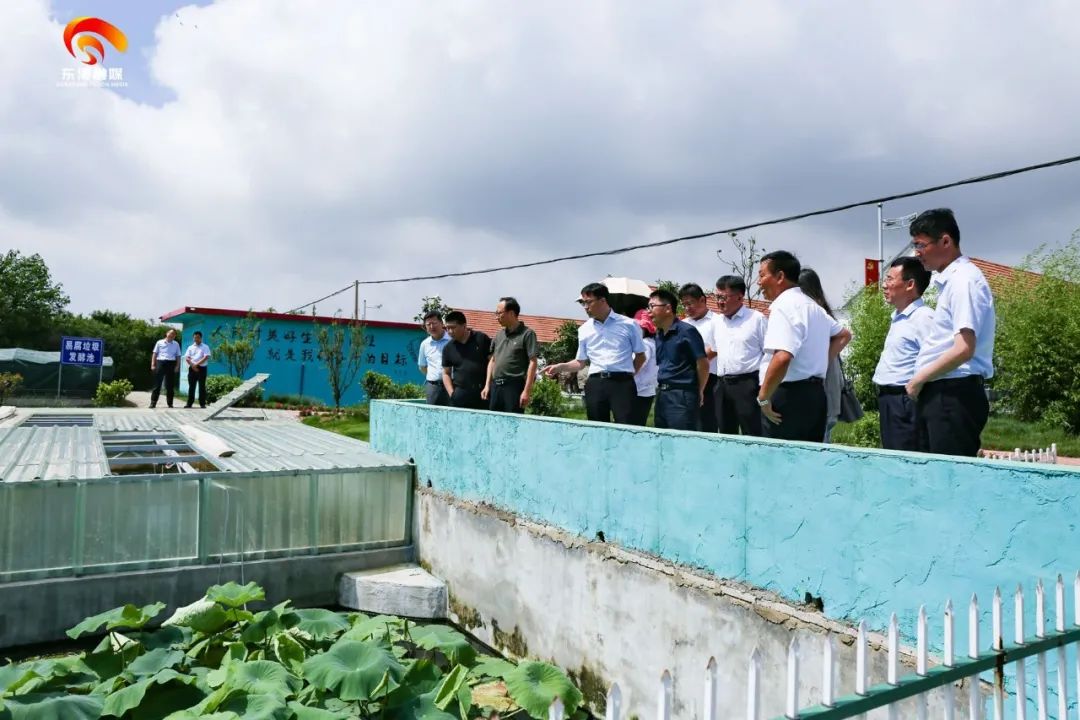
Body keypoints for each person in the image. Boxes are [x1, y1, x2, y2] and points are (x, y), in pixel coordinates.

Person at [905, 208, 996, 457]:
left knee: (949, 481)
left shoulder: (964, 281)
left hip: (953, 395)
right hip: (945, 394)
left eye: (921, 245)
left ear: (945, 241)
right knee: (937, 479)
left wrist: (918, 379)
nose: (917, 253)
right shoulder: (952, 281)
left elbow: (964, 348)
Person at [756, 251, 852, 442]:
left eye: (762, 275)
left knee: (781, 461)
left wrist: (764, 398)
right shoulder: (813, 306)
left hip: (788, 397)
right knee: (809, 459)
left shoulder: (784, 306)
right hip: (815, 396)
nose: (758, 282)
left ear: (780, 277)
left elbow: (782, 357)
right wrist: (821, 362)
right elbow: (844, 335)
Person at [543, 282, 645, 423]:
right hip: (596, 384)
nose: (585, 307)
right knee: (597, 428)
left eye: (588, 302)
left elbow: (641, 356)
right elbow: (580, 362)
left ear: (603, 300)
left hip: (622, 384)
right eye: (583, 303)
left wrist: (629, 374)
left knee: (626, 427)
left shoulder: (629, 324)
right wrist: (559, 367)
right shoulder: (584, 329)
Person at [873, 257, 935, 451]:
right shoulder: (899, 317)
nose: (884, 285)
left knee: (907, 459)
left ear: (910, 284)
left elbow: (936, 358)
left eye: (890, 279)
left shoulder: (924, 317)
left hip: (905, 401)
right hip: (889, 400)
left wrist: (914, 388)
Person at [708, 275, 767, 436]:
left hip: (748, 384)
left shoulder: (756, 319)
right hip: (722, 384)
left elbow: (768, 354)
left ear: (740, 297)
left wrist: (764, 387)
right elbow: (714, 349)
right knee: (725, 431)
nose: (719, 301)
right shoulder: (716, 322)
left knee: (752, 430)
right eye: (716, 296)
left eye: (723, 297)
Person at [649, 288, 709, 430]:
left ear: (668, 308)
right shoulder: (659, 334)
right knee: (662, 440)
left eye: (652, 306)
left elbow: (703, 364)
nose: (648, 311)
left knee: (682, 441)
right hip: (662, 394)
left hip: (682, 396)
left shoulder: (687, 331)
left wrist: (699, 391)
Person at [798, 268, 846, 443]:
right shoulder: (821, 312)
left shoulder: (816, 314)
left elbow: (845, 336)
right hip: (822, 385)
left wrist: (821, 362)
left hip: (822, 385)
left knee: (819, 436)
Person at [483, 297, 539, 413]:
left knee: (512, 424)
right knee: (495, 423)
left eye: (499, 313)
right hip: (496, 386)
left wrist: (526, 391)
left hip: (514, 387)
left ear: (511, 313)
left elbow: (533, 362)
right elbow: (493, 360)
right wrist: (487, 385)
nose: (496, 317)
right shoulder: (498, 335)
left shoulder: (527, 334)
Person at [678, 283, 719, 432]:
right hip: (686, 379)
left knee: (707, 422)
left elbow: (715, 349)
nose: (687, 308)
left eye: (690, 303)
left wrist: (694, 362)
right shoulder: (682, 324)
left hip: (710, 379)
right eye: (684, 305)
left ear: (702, 300)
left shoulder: (717, 321)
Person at [441, 311, 492, 410]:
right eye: (447, 328)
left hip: (483, 393)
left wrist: (488, 385)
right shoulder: (448, 348)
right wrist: (452, 394)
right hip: (460, 394)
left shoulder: (481, 339)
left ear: (464, 326)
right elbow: (446, 373)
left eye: (453, 327)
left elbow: (492, 362)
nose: (450, 331)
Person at [630, 309, 658, 426]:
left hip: (639, 390)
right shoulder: (653, 343)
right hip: (646, 389)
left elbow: (638, 363)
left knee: (632, 424)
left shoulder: (645, 344)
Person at [417, 311, 451, 406]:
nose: (432, 327)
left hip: (452, 385)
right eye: (428, 324)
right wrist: (435, 376)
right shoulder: (425, 344)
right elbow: (422, 366)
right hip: (433, 387)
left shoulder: (452, 340)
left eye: (434, 323)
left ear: (441, 323)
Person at [150, 328, 182, 409]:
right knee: (157, 384)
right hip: (161, 362)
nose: (171, 335)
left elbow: (178, 356)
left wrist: (177, 366)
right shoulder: (159, 342)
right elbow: (155, 354)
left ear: (175, 336)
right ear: (166, 333)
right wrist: (153, 364)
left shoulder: (176, 344)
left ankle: (170, 403)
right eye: (170, 333)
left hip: (171, 363)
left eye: (173, 334)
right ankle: (153, 403)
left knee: (170, 385)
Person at [183, 331, 211, 409]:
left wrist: (196, 364)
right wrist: (193, 365)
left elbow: (206, 357)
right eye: (195, 337)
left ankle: (202, 403)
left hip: (202, 368)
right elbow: (187, 358)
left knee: (202, 386)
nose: (196, 339)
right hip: (192, 368)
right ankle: (189, 403)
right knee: (191, 386)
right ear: (193, 338)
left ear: (201, 338)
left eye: (198, 337)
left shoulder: (205, 347)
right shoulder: (190, 347)